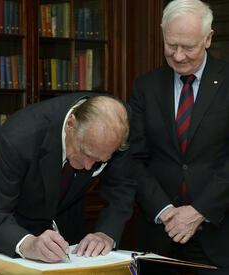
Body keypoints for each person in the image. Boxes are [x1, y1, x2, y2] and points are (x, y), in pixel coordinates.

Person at [0, 92, 136, 264]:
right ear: (70, 124)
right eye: (86, 153)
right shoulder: (20, 135)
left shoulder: (119, 123)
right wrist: (28, 244)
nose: (89, 166)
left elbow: (121, 185)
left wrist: (106, 234)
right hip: (1, 236)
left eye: (100, 160)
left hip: (64, 236)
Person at [129, 0, 229, 274]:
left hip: (218, 236)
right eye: (171, 45)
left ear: (208, 39)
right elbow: (133, 158)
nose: (179, 56)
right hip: (159, 234)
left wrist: (198, 211)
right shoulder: (145, 87)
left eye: (188, 47)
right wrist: (165, 211)